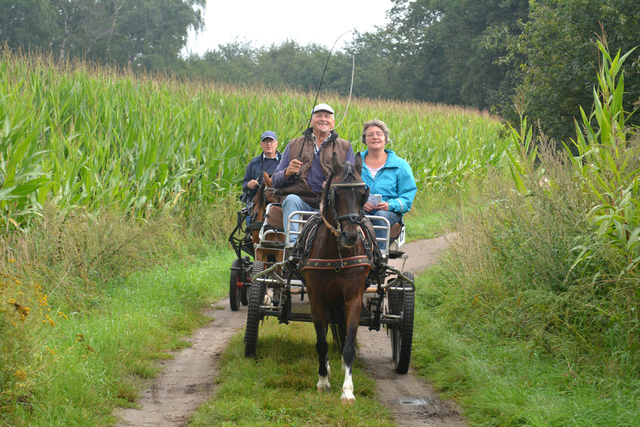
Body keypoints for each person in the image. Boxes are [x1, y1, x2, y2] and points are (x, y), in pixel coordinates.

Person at [272, 103, 355, 243]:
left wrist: (333, 185)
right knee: (291, 199)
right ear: (311, 120)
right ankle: (293, 247)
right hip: (301, 200)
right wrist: (287, 172)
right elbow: (275, 180)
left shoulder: (345, 146)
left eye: (327, 116)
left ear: (333, 122)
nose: (323, 119)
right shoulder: (294, 144)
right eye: (319, 116)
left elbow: (351, 180)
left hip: (331, 203)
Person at [359, 119, 417, 250]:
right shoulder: (355, 163)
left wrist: (389, 205)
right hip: (360, 211)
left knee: (380, 216)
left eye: (379, 134)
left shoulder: (400, 165)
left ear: (385, 139)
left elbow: (407, 197)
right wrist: (360, 202)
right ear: (365, 140)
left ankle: (378, 257)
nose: (375, 137)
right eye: (370, 134)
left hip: (388, 214)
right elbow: (346, 191)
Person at [241, 130, 281, 205]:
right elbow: (244, 185)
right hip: (257, 199)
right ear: (261, 145)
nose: (268, 144)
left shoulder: (284, 160)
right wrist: (249, 184)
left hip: (279, 198)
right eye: (265, 141)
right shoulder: (254, 162)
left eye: (271, 141)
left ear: (276, 144)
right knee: (249, 212)